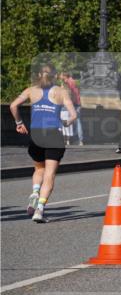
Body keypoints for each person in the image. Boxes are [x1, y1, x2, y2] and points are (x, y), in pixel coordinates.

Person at [9, 63, 77, 223]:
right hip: (53, 135)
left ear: (39, 75)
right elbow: (73, 115)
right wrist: (66, 123)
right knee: (49, 174)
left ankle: (34, 192)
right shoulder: (61, 92)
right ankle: (39, 209)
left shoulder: (31, 90)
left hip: (36, 135)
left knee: (39, 169)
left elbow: (13, 105)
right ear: (54, 76)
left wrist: (19, 123)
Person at [59, 71, 83, 145]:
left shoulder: (68, 83)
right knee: (77, 121)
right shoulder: (74, 81)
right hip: (78, 103)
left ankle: (71, 140)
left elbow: (68, 94)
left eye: (61, 75)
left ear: (64, 76)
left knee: (68, 121)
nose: (60, 76)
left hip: (72, 104)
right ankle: (80, 140)